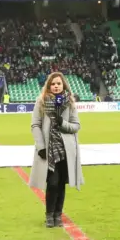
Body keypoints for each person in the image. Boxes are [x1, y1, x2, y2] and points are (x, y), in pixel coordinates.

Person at [29, 72, 84, 228]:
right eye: (53, 84)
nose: (56, 86)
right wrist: (41, 146)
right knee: (52, 183)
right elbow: (35, 125)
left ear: (63, 85)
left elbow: (76, 126)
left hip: (67, 151)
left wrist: (62, 123)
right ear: (49, 86)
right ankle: (49, 216)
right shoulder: (40, 103)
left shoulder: (70, 103)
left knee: (61, 184)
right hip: (48, 150)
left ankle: (58, 215)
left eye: (59, 83)